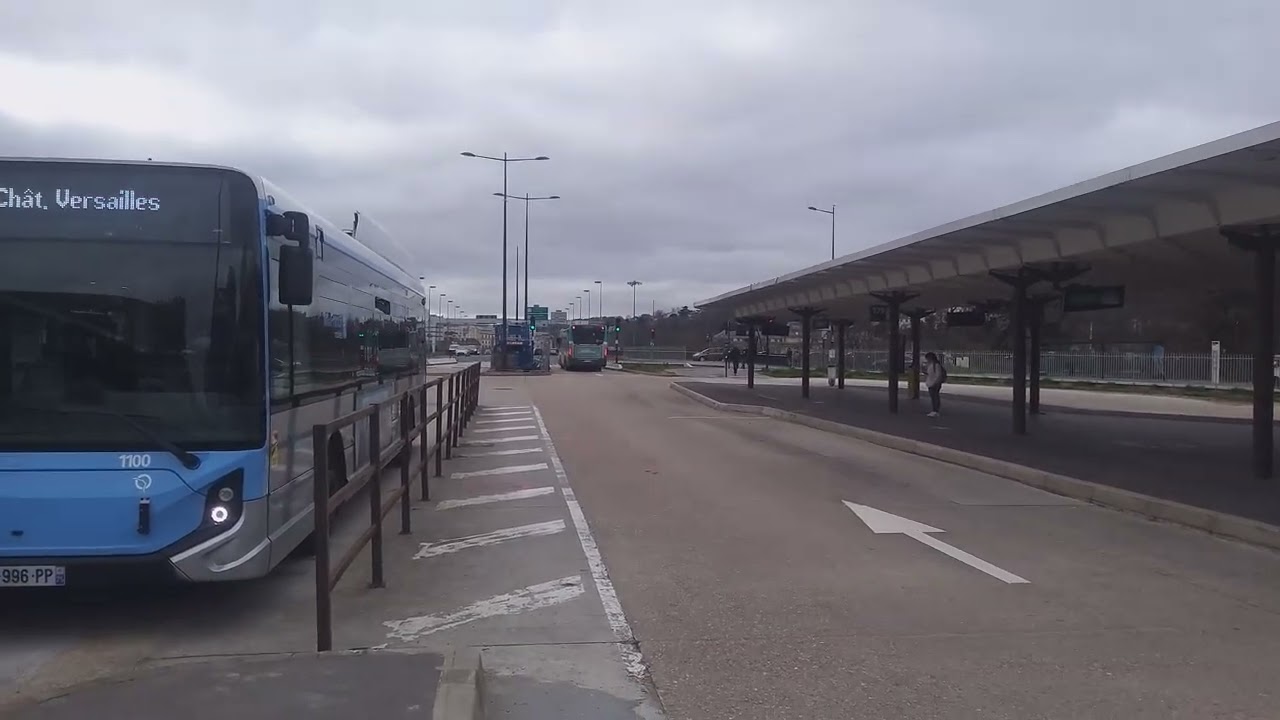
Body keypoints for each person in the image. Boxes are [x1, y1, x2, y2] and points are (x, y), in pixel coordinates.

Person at [924, 351, 946, 417]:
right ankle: (934, 410)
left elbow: (938, 375)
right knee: (933, 397)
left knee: (935, 397)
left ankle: (935, 410)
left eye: (927, 358)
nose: (927, 360)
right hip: (931, 383)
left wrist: (935, 382)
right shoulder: (931, 365)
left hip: (935, 383)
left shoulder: (936, 365)